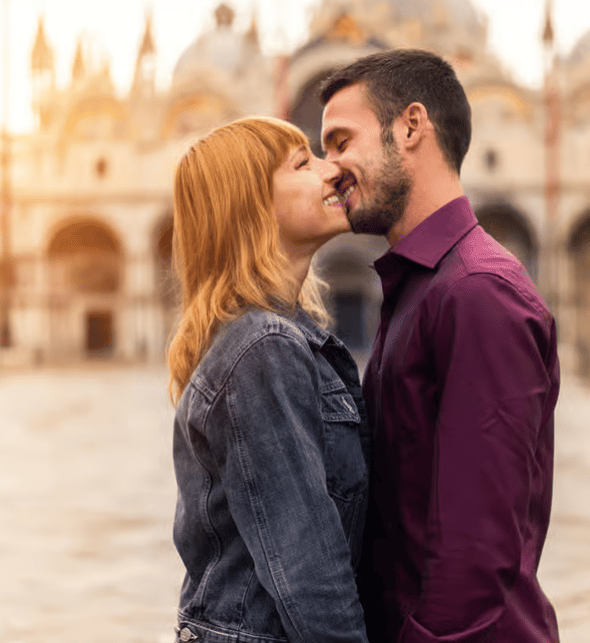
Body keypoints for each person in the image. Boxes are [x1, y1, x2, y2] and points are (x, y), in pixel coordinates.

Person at [320, 49, 561, 642]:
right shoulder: (423, 288)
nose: (330, 169)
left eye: (341, 142)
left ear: (410, 127)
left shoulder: (476, 295)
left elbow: (475, 560)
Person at [167, 117, 371, 643]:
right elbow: (309, 570)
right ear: (252, 207)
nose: (334, 171)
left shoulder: (276, 337)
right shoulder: (263, 348)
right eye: (304, 163)